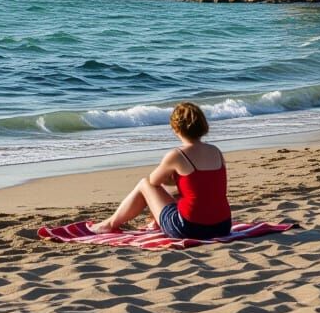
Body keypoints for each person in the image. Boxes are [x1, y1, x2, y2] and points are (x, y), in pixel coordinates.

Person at [89, 101, 232, 238]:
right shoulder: (216, 151)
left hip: (189, 228)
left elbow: (153, 181)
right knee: (181, 191)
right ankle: (155, 222)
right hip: (222, 226)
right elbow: (202, 185)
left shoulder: (177, 155)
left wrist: (171, 178)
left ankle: (109, 224)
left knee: (144, 184)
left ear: (176, 128)